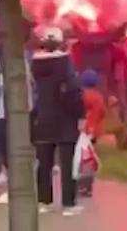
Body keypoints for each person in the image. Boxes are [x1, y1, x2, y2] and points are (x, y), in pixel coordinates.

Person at [30, 27, 85, 216]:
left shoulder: (34, 64)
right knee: (67, 162)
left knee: (44, 161)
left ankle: (44, 201)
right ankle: (68, 204)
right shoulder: (65, 63)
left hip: (42, 118)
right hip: (65, 119)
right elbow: (73, 91)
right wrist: (80, 114)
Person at [78, 69, 105, 197]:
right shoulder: (98, 97)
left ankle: (78, 182)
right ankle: (87, 186)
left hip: (80, 131)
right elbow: (102, 113)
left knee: (79, 157)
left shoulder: (80, 95)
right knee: (90, 159)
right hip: (93, 132)